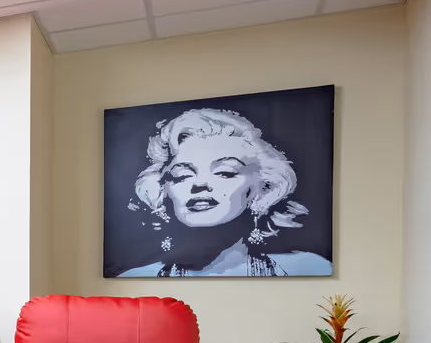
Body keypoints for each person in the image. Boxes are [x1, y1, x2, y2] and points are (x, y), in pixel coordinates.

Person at [120, 108, 329, 277]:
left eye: (225, 172)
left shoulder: (309, 268)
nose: (200, 184)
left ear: (262, 189)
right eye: (183, 175)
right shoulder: (132, 280)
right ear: (163, 190)